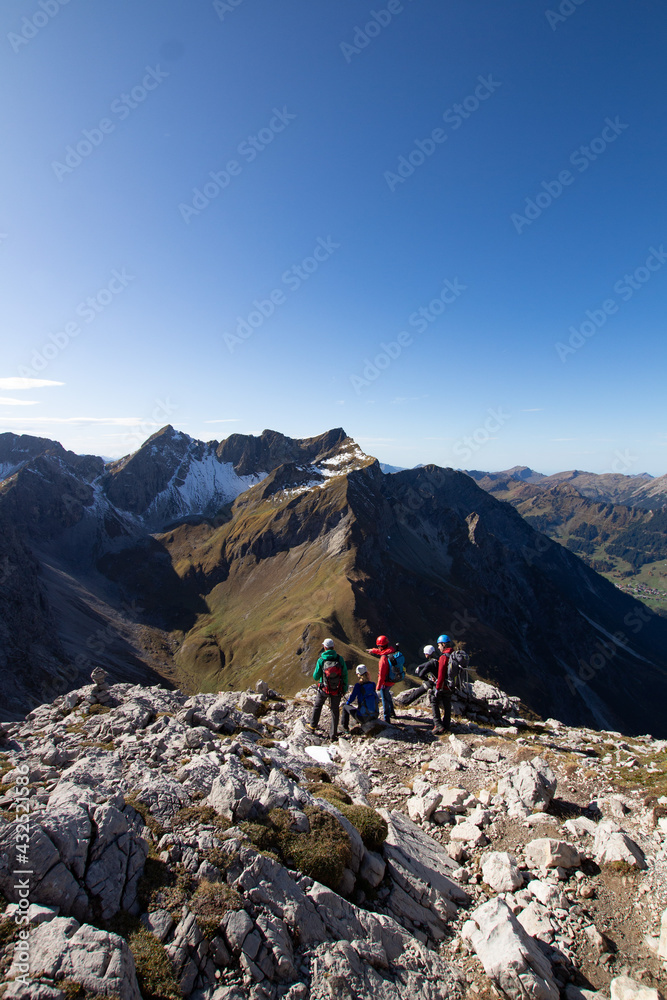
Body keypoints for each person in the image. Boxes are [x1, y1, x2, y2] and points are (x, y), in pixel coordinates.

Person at [306, 638, 348, 739]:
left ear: (325, 647)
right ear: (333, 647)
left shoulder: (321, 660)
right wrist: (344, 688)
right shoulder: (339, 659)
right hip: (337, 689)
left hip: (324, 689)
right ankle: (333, 734)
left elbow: (316, 676)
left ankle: (312, 726)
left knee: (318, 705)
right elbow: (345, 674)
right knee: (335, 710)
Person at [367, 634, 398, 723]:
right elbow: (382, 652)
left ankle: (386, 718)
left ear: (380, 646)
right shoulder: (391, 652)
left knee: (384, 698)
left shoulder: (383, 659)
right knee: (387, 694)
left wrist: (378, 687)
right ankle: (392, 712)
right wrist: (373, 650)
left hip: (386, 681)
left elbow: (381, 675)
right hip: (393, 679)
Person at [341, 665, 379, 733]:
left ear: (358, 674)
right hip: (375, 715)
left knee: (345, 707)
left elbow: (351, 699)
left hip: (363, 717)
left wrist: (347, 704)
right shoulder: (373, 684)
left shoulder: (358, 686)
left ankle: (345, 728)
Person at [433, 633, 454, 734]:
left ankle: (438, 725)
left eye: (439, 645)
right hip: (452, 685)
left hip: (444, 685)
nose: (438, 647)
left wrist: (437, 688)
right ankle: (447, 726)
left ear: (443, 644)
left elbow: (440, 675)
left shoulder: (443, 657)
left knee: (433, 700)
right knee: (447, 705)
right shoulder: (453, 655)